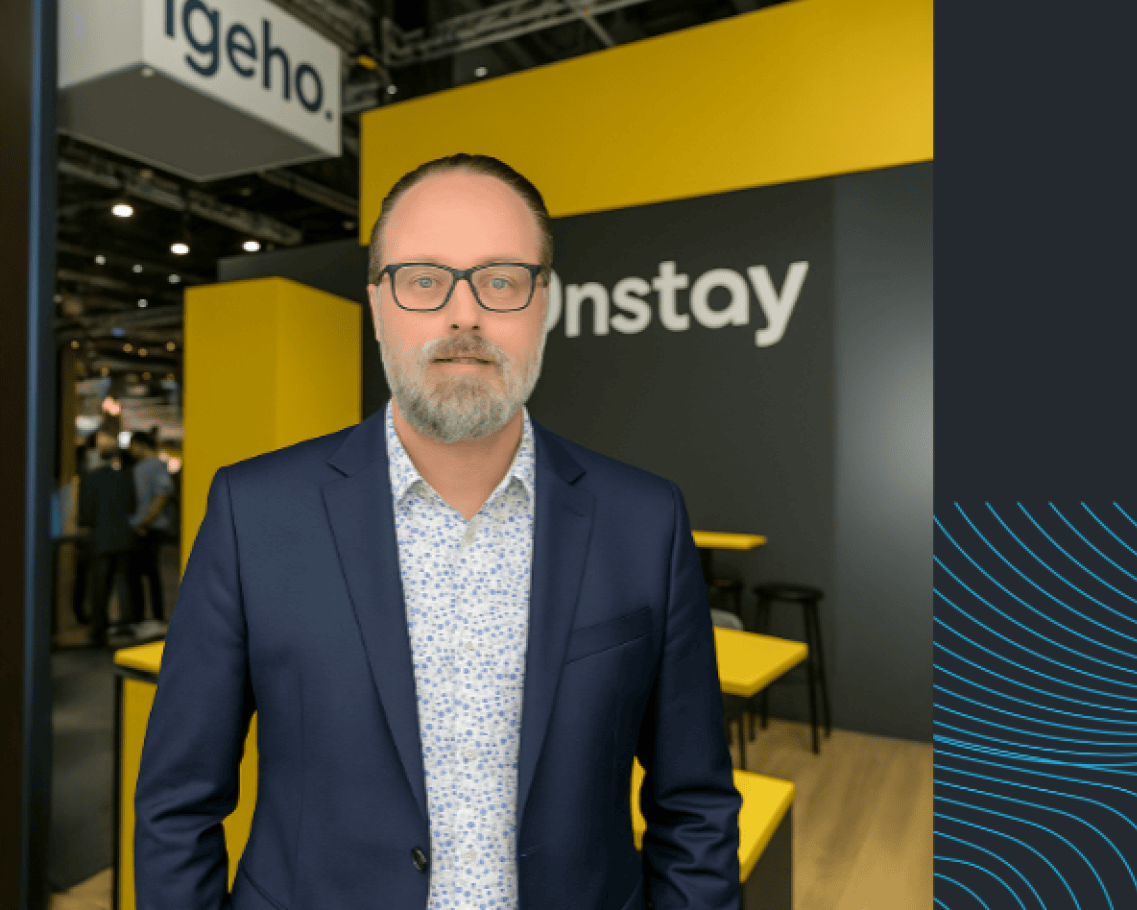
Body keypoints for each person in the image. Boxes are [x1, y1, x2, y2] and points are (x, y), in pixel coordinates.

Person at [135, 154, 741, 910]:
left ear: (542, 302)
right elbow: (177, 803)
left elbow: (696, 809)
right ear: (378, 303)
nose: (465, 315)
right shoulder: (252, 511)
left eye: (501, 279)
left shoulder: (645, 520)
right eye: (424, 279)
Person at [75, 438, 137, 647]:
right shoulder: (125, 478)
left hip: (100, 539)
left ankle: (99, 631)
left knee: (100, 587)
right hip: (124, 538)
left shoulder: (90, 479)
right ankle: (127, 627)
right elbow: (132, 506)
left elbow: (85, 516)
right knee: (124, 583)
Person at [124, 429, 173, 639]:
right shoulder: (150, 465)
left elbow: (162, 494)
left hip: (148, 528)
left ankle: (149, 620)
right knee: (145, 574)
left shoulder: (153, 465)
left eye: (133, 445)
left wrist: (145, 521)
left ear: (141, 445)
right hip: (147, 526)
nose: (131, 450)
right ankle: (149, 619)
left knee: (142, 574)